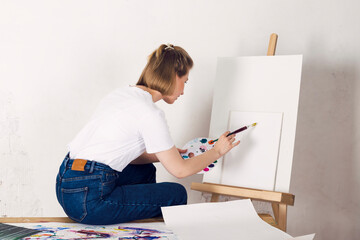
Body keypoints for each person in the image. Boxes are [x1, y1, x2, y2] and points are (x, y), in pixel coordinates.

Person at [55, 44, 240, 225]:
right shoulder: (149, 113)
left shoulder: (121, 95)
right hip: (89, 202)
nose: (183, 91)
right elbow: (180, 171)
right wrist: (217, 151)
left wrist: (166, 155)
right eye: (184, 82)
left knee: (145, 169)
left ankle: (132, 217)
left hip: (66, 184)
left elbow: (125, 156)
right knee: (176, 194)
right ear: (174, 76)